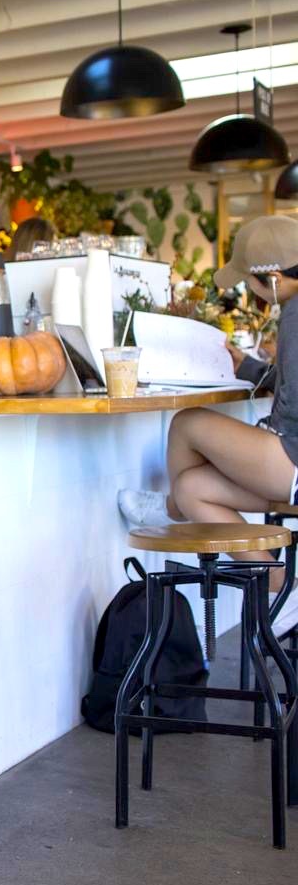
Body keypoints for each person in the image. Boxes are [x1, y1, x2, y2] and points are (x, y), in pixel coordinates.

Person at [119, 215, 298, 626]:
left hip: (292, 460)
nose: (251, 294)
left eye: (250, 285)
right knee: (193, 487)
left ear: (272, 279)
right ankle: (281, 584)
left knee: (187, 423)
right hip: (292, 465)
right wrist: (249, 367)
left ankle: (172, 510)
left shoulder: (294, 313)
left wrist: (258, 438)